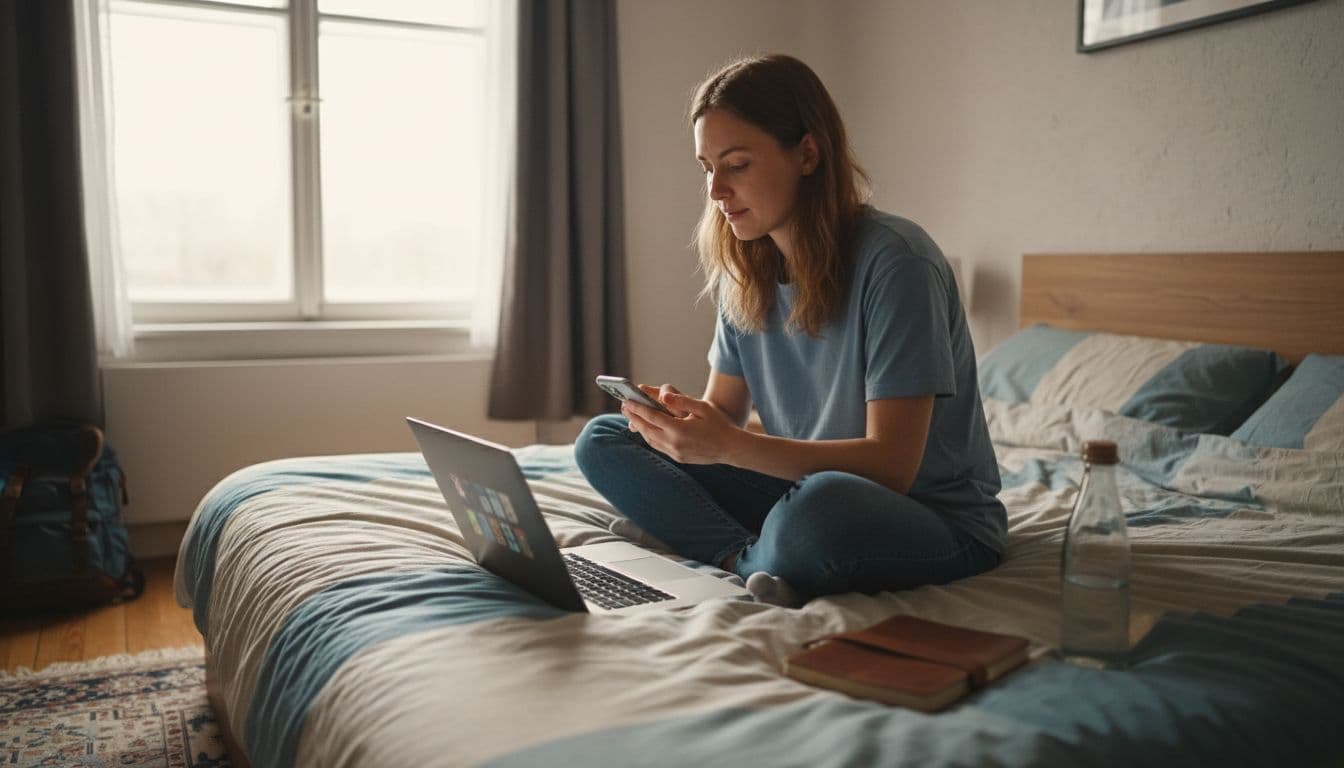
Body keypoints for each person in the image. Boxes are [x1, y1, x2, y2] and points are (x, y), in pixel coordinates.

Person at [574, 54, 1005, 608]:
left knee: (821, 509)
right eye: (707, 167)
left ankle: (742, 551)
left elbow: (893, 467)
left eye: (736, 165)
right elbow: (725, 414)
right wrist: (680, 422)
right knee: (605, 441)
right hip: (800, 488)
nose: (715, 191)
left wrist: (731, 446)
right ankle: (744, 558)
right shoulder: (746, 273)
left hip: (931, 518)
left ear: (806, 153)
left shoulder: (899, 263)